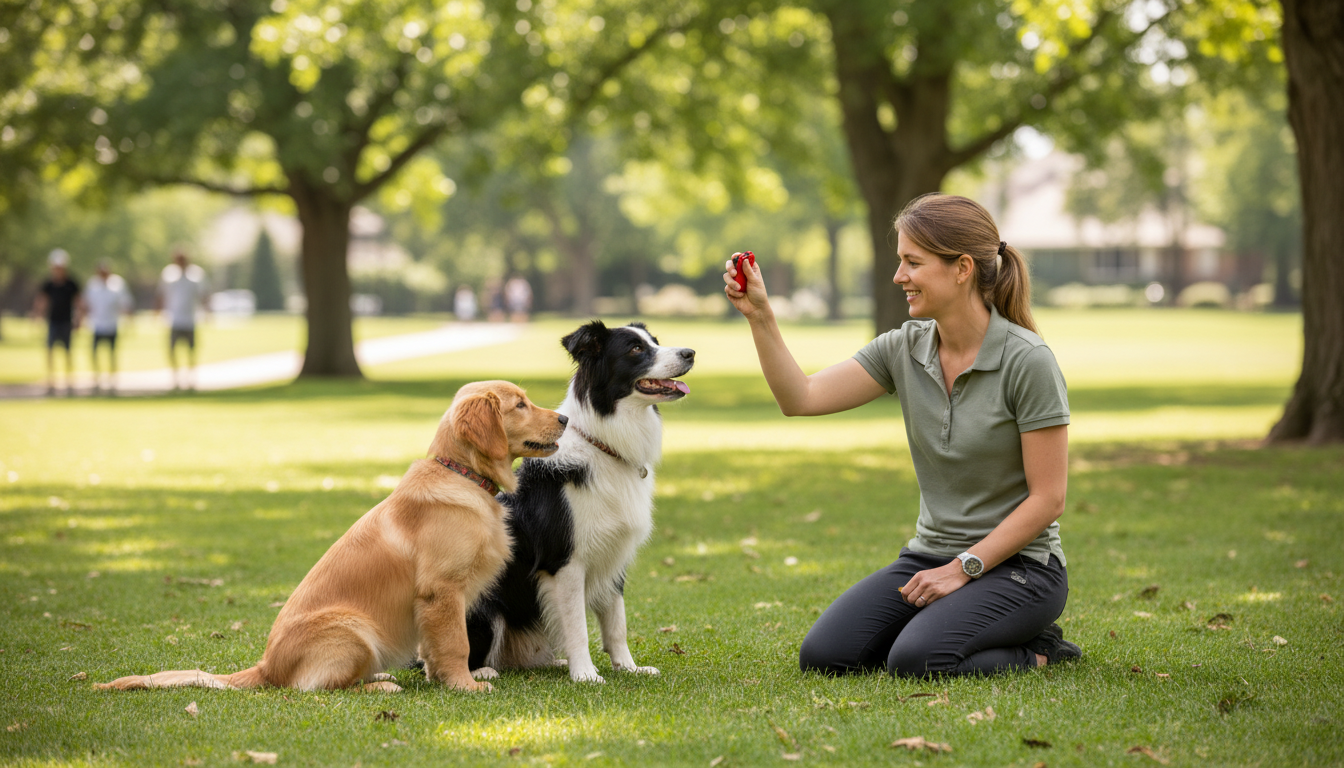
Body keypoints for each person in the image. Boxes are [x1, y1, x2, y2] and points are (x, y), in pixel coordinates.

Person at [723, 193, 1079, 678]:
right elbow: (801, 398)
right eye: (900, 261)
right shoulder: (903, 349)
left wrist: (962, 569)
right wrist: (760, 315)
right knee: (825, 657)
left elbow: (1048, 499)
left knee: (917, 660)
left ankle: (1041, 650)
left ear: (962, 268)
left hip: (1022, 569)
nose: (899, 276)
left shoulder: (1028, 361)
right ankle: (947, 625)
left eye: (913, 262)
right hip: (928, 556)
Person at [157, 248, 209, 390]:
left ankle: (190, 377)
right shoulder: (168, 274)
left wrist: (207, 311)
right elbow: (161, 294)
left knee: (191, 350)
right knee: (172, 350)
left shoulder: (196, 274)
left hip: (190, 319)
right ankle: (176, 377)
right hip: (174, 319)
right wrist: (158, 311)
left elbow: (203, 294)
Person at [32, 249, 82, 396]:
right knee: (50, 351)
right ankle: (51, 381)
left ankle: (69, 381)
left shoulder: (71, 283)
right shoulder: (48, 284)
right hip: (53, 321)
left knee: (67, 351)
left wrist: (79, 318)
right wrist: (37, 315)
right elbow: (42, 300)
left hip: (66, 321)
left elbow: (78, 302)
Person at [82, 258, 135, 394]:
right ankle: (97, 377)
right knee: (95, 352)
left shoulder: (117, 284)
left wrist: (129, 320)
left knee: (112, 353)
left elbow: (125, 303)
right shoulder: (92, 285)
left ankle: (112, 378)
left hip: (111, 324)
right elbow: (85, 303)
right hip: (97, 324)